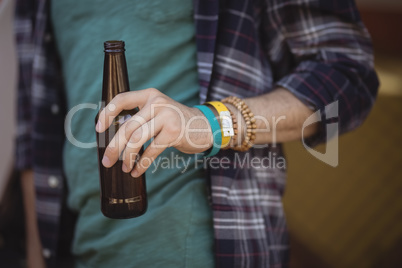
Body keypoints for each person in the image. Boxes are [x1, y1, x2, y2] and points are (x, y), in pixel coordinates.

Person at [15, 0, 379, 267]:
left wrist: (211, 122)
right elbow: (34, 138)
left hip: (208, 253)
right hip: (84, 253)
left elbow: (347, 74)